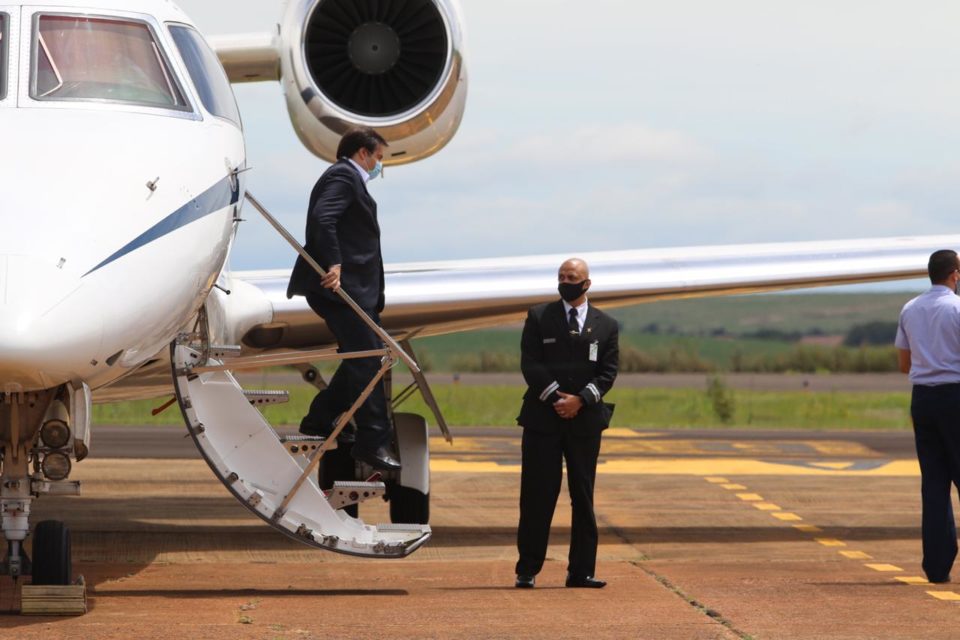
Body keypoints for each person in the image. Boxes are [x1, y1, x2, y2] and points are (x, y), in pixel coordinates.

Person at [286, 127, 400, 472]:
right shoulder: (343, 176)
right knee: (368, 360)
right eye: (378, 157)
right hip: (340, 289)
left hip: (356, 291)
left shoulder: (350, 180)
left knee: (365, 358)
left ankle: (321, 418)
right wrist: (334, 263)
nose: (379, 165)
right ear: (363, 153)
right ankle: (373, 441)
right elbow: (323, 218)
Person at [514, 258, 619, 589]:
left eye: (571, 277)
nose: (564, 281)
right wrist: (556, 398)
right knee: (537, 495)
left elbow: (608, 372)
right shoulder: (539, 317)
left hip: (584, 423)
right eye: (561, 276)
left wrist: (580, 400)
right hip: (543, 420)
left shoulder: (607, 325)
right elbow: (530, 363)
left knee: (583, 496)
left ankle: (581, 571)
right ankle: (527, 569)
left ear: (586, 283)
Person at [895, 249, 960, 584]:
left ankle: (936, 566)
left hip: (922, 398)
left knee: (934, 483)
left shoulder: (910, 308)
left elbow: (904, 363)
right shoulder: (957, 308)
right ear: (954, 274)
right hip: (955, 395)